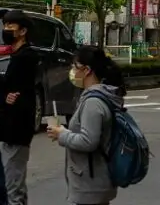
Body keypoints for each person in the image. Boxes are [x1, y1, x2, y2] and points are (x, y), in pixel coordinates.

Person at [46, 45, 126, 205]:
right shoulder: (99, 96)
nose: (73, 72)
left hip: (91, 182)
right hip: (96, 179)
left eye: (76, 67)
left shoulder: (93, 102)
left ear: (87, 70)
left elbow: (88, 141)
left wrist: (62, 134)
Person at [0, 9, 38, 205]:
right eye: (5, 25)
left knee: (12, 185)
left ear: (23, 31)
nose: (6, 29)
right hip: (9, 128)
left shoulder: (26, 57)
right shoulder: (17, 55)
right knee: (13, 182)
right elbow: (4, 92)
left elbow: (13, 93)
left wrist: (6, 96)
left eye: (10, 25)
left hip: (17, 129)